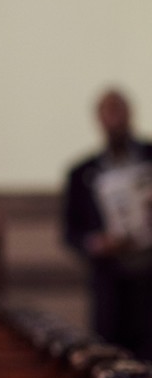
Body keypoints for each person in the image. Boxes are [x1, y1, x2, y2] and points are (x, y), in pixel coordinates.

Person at [63, 88, 152, 359]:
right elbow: (71, 231)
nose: (114, 119)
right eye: (108, 112)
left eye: (119, 110)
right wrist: (97, 243)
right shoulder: (81, 173)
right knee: (112, 362)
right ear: (98, 118)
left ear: (130, 113)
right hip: (111, 287)